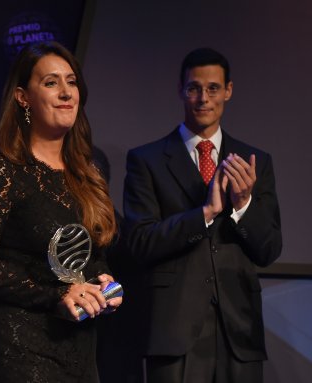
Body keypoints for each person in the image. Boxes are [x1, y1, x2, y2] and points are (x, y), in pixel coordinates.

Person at [0, 41, 122, 383]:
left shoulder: (89, 171)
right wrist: (55, 295)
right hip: (16, 347)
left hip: (78, 349)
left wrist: (102, 283)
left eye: (71, 82)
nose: (66, 93)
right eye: (51, 83)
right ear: (22, 97)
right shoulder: (0, 171)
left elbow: (91, 255)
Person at [122, 47, 282, 382]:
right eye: (194, 88)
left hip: (239, 331)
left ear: (228, 91)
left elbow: (268, 250)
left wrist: (243, 205)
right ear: (181, 90)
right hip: (173, 332)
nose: (203, 98)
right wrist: (205, 213)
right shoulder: (146, 160)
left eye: (212, 88)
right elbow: (139, 242)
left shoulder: (255, 161)